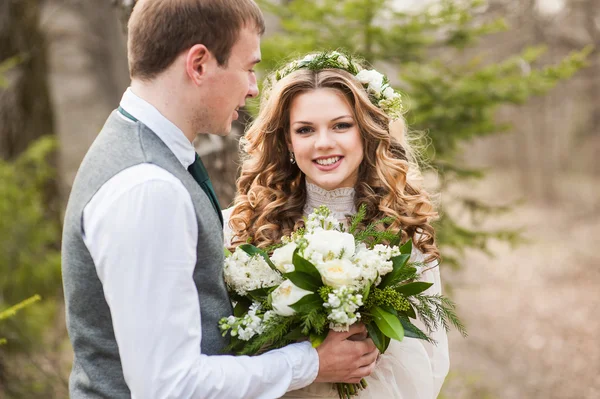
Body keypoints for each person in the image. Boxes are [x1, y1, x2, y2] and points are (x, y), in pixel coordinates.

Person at [61, 2, 378, 398]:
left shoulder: (153, 156)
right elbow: (170, 387)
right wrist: (310, 362)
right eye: (248, 67)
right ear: (199, 64)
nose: (253, 86)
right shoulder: (148, 188)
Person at [224, 51, 450, 398]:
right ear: (287, 140)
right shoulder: (244, 226)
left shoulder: (402, 227)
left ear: (367, 131)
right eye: (305, 130)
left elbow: (429, 357)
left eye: (341, 125)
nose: (324, 143)